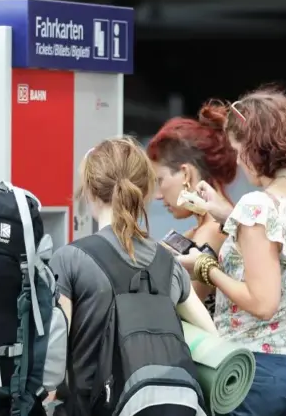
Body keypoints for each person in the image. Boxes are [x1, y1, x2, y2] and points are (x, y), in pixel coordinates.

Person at [178, 87, 286, 416]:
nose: (237, 158)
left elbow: (263, 304)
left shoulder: (258, 206)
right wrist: (225, 214)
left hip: (254, 373)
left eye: (239, 149)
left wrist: (206, 268)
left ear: (256, 148)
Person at [50, 137, 217, 416]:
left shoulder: (70, 259)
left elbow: (53, 361)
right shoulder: (168, 263)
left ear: (90, 192)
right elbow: (211, 339)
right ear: (145, 192)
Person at [147, 111, 238, 316]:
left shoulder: (212, 231)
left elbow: (180, 309)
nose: (158, 196)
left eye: (160, 181)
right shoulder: (212, 228)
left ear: (186, 174)